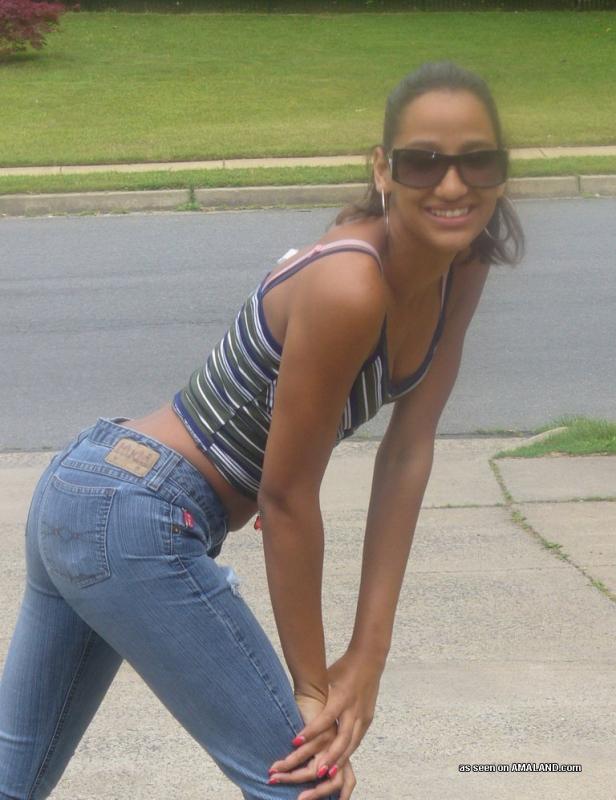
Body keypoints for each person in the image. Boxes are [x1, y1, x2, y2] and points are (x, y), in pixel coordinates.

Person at [0, 60, 524, 800]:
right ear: (383, 169)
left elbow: (409, 451)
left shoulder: (460, 266)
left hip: (96, 495)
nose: (451, 184)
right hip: (132, 508)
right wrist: (311, 686)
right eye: (423, 162)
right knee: (306, 784)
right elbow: (285, 496)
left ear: (502, 169)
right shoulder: (350, 284)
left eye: (478, 160)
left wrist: (368, 654)